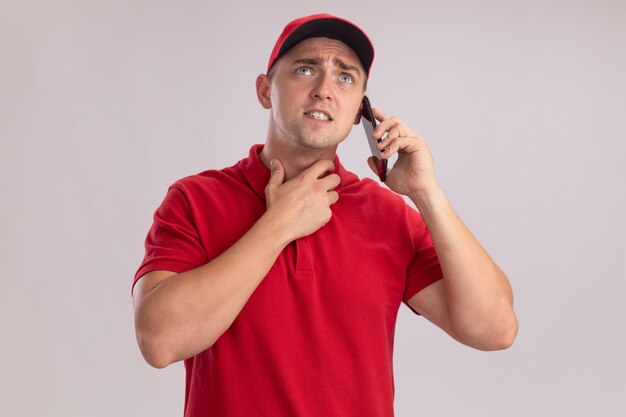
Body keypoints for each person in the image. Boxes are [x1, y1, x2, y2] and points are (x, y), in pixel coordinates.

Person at [132, 13, 518, 417]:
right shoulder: (194, 199)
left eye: (346, 78)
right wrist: (278, 225)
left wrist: (427, 194)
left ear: (359, 113)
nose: (324, 90)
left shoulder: (388, 216)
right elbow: (159, 342)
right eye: (305, 69)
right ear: (265, 91)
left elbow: (495, 329)